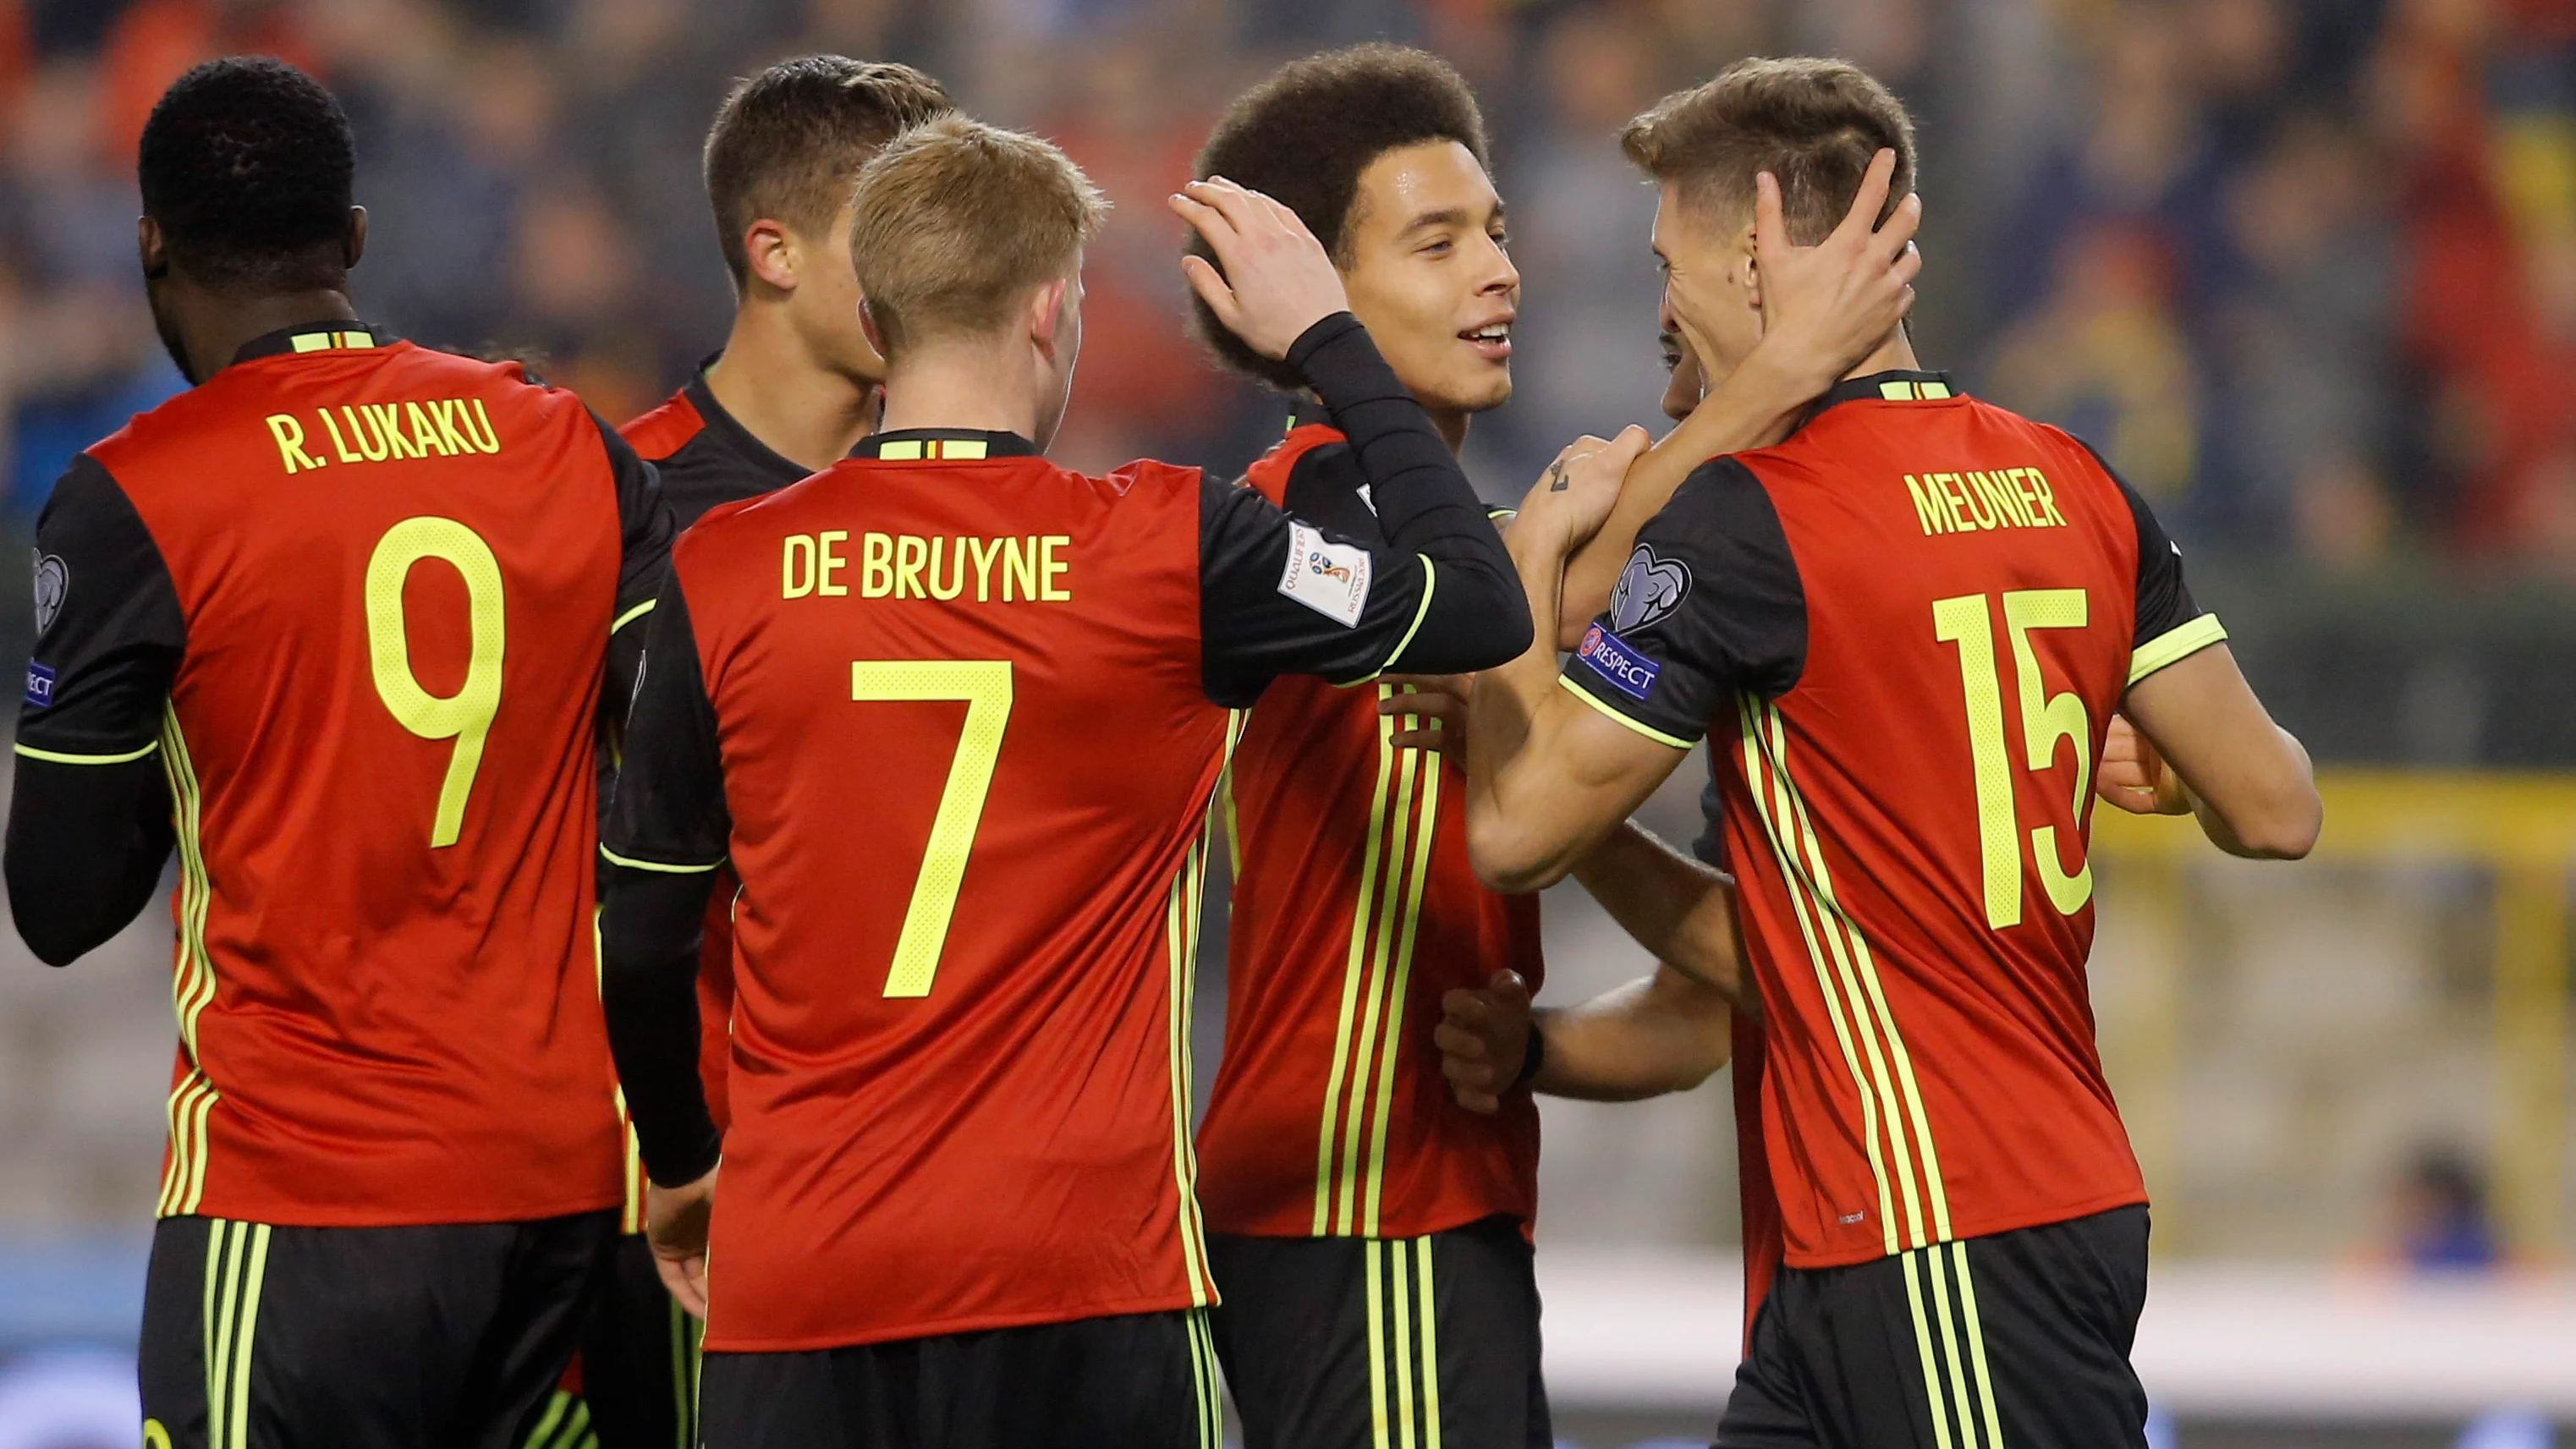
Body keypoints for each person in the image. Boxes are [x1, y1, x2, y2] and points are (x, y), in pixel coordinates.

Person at [596, 115, 1543, 1448]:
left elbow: (639, 937)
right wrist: (1331, 343)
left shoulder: (728, 570)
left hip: (805, 1276)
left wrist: (686, 1161)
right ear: (1052, 307)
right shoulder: (1169, 548)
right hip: (1085, 1280)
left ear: (872, 315)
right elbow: (1475, 605)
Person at [1461, 57, 2322, 1449]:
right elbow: (2278, 805)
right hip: (1925, 1221)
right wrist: (2168, 782)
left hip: (1939, 1220)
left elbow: (1513, 831)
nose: (1659, 299)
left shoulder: (1756, 525)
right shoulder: (2075, 476)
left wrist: (1533, 571)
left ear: (1758, 262)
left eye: (1668, 258)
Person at [1182, 45, 1914, 1449]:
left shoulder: (1450, 533)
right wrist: (1788, 371)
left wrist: (1535, 1055)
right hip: (1357, 1218)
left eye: (1501, 234)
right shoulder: (1310, 515)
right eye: (1438, 242)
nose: (1500, 274)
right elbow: (1512, 604)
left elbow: (1560, 589)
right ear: (1313, 299)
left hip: (1439, 1214)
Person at [2, 57, 669, 1446]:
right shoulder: (562, 441)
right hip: (565, 1201)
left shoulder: (139, 494)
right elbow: (675, 770)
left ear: (150, 246)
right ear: (354, 242)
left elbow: (61, 903)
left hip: (304, 1202)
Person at [577, 56, 952, 1449]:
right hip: (691, 1188)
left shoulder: (966, 509)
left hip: (923, 1179)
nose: (933, 271)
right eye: (893, 229)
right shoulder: (622, 499)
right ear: (772, 251)